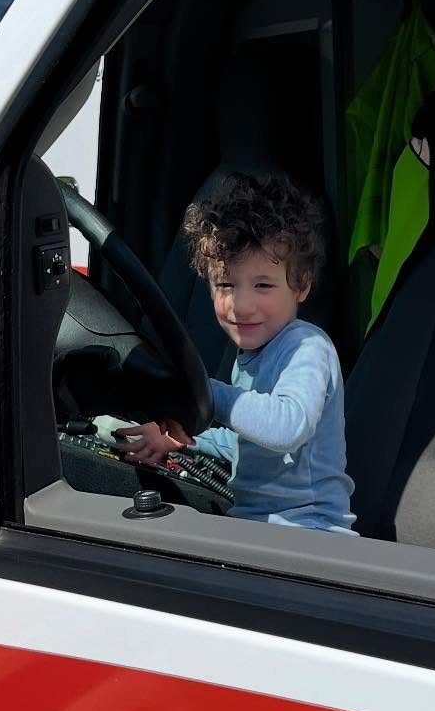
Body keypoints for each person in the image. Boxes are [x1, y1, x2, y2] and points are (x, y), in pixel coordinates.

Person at [118, 171, 355, 533]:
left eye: (263, 286)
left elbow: (288, 427)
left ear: (301, 285)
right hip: (259, 526)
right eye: (226, 284)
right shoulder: (251, 355)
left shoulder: (307, 347)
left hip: (309, 531)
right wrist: (182, 439)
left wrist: (206, 391)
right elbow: (247, 445)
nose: (241, 305)